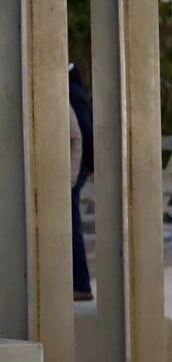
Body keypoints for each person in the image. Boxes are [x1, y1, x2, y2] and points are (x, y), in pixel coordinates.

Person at [68, 65, 94, 301]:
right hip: (77, 165)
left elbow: (81, 135)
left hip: (75, 167)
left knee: (71, 223)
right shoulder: (75, 89)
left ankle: (81, 284)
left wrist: (74, 175)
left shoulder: (71, 91)